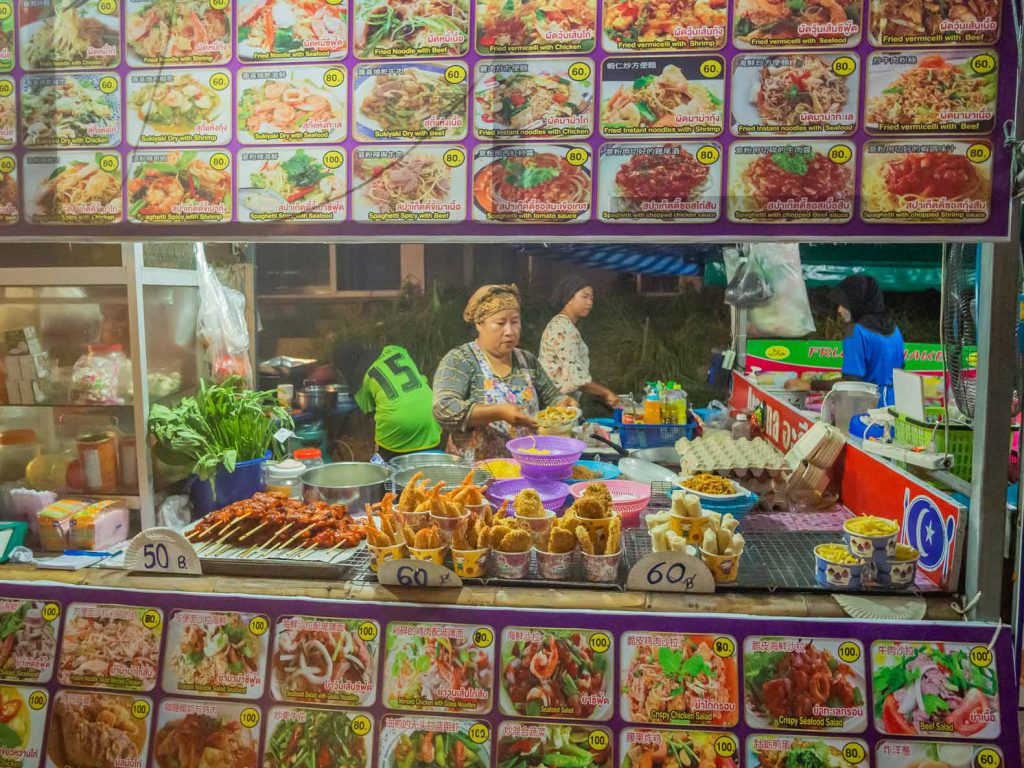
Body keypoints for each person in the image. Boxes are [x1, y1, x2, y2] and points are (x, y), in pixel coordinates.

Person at [433, 284, 575, 459]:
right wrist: (499, 412)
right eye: (500, 323)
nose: (509, 331)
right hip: (474, 474)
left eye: (514, 322)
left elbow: (552, 396)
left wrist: (562, 403)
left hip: (525, 466)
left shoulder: (526, 360)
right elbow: (444, 409)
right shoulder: (461, 360)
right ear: (479, 324)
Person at [787, 275, 905, 406]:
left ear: (856, 301)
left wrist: (810, 384)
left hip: (869, 409)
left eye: (844, 304)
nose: (839, 309)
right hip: (895, 406)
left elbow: (852, 383)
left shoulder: (856, 332)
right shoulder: (895, 330)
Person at [337, 343, 442, 462]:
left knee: (390, 469)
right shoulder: (396, 349)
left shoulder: (359, 379)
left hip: (397, 423)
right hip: (431, 410)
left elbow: (369, 411)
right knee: (431, 463)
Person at [539, 276, 621, 409]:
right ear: (569, 297)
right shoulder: (564, 328)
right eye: (585, 296)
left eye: (592, 298)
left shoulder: (561, 324)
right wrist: (607, 393)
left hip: (557, 404)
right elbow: (578, 379)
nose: (589, 302)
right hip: (558, 407)